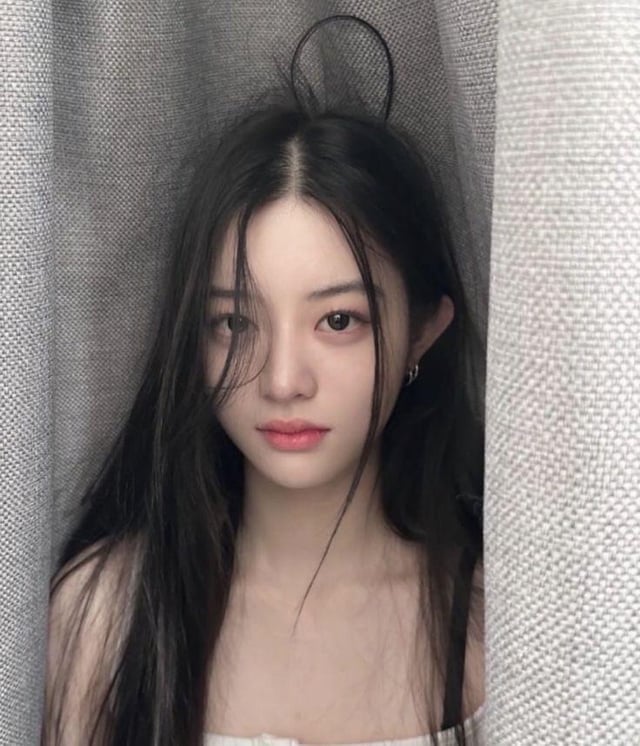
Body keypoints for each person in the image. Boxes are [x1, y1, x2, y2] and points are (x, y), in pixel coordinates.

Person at [42, 16, 486, 746]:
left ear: (422, 331)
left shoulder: (489, 625)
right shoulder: (107, 614)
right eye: (234, 323)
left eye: (338, 320)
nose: (282, 381)